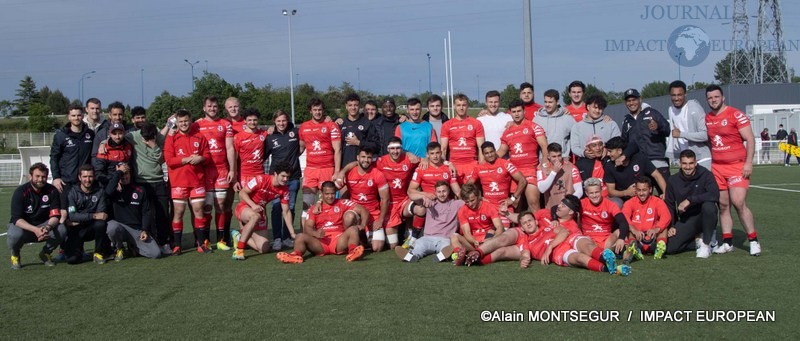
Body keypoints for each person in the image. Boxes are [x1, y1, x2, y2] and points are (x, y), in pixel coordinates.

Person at [461, 198, 629, 275]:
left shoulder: (566, 225)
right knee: (503, 240)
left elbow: (564, 233)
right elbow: (524, 220)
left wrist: (538, 250)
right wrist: (507, 214)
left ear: (571, 212)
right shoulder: (545, 215)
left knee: (583, 245)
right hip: (543, 243)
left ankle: (604, 259)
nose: (558, 206)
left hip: (552, 245)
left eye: (563, 205)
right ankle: (478, 253)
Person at [705, 85, 760, 256]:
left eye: (716, 97)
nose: (713, 100)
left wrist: (748, 163)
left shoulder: (735, 114)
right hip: (717, 168)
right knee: (723, 205)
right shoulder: (707, 118)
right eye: (710, 98)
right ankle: (727, 242)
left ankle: (753, 240)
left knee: (738, 202)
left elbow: (750, 139)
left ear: (723, 98)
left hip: (737, 166)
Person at [276, 181, 368, 263]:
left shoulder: (342, 203)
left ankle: (353, 252)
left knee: (353, 229)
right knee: (300, 236)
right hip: (321, 243)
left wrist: (363, 224)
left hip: (339, 240)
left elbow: (363, 210)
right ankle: (295, 255)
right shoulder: (314, 208)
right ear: (321, 193)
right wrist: (315, 233)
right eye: (327, 194)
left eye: (332, 193)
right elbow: (307, 228)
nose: (330, 196)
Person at [164, 108, 213, 254]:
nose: (184, 124)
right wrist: (186, 160)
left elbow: (208, 156)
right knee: (178, 212)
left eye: (186, 121)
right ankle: (177, 245)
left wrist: (201, 158)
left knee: (199, 211)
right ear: (177, 123)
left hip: (197, 181)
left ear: (191, 121)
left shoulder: (200, 137)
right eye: (181, 122)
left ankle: (201, 243)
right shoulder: (171, 138)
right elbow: (169, 161)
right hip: (179, 181)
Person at [192, 96, 236, 251]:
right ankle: (204, 240)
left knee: (221, 205)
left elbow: (230, 148)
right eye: (209, 106)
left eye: (215, 106)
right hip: (203, 171)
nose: (212, 108)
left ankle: (221, 240)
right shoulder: (196, 125)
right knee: (206, 206)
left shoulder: (225, 124)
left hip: (221, 170)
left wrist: (232, 169)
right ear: (204, 108)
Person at [7, 163, 65, 269]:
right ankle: (15, 255)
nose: (40, 179)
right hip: (25, 227)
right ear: (30, 176)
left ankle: (45, 253)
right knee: (14, 234)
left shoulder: (52, 190)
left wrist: (48, 227)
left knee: (62, 229)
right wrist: (35, 230)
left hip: (44, 226)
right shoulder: (21, 192)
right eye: (37, 176)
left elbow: (55, 215)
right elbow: (16, 219)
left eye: (43, 177)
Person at [664, 150, 719, 258]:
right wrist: (671, 225)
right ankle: (699, 241)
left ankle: (706, 244)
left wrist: (690, 200)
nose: (688, 167)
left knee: (709, 206)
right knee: (670, 247)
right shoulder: (673, 180)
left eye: (691, 163)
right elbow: (669, 204)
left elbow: (715, 195)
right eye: (684, 163)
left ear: (696, 163)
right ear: (680, 163)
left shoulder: (706, 174)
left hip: (704, 216)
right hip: (687, 219)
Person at [232, 164, 294, 260]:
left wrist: (292, 233)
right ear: (275, 174)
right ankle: (239, 250)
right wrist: (253, 205)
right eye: (283, 176)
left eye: (288, 177)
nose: (285, 179)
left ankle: (238, 236)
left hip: (259, 213)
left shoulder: (284, 190)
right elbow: (242, 193)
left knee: (264, 249)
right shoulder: (260, 179)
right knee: (255, 216)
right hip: (244, 207)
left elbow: (286, 212)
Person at [127, 122, 171, 254]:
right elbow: (115, 137)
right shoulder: (134, 136)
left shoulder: (160, 139)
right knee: (144, 214)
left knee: (163, 213)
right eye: (143, 138)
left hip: (158, 181)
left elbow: (162, 160)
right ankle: (145, 243)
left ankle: (164, 242)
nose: (144, 140)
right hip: (141, 182)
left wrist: (154, 146)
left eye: (148, 138)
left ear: (155, 135)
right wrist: (102, 144)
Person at [394, 180, 463, 262]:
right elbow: (411, 195)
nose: (441, 194)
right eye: (439, 192)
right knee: (419, 244)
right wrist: (423, 196)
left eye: (444, 191)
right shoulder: (430, 202)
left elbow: (468, 200)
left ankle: (442, 256)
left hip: (445, 238)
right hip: (428, 238)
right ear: (435, 193)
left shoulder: (456, 204)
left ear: (449, 191)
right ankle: (412, 256)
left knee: (447, 246)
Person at [104, 163, 162, 260]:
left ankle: (133, 247)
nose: (124, 177)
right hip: (120, 227)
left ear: (130, 174)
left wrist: (144, 230)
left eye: (126, 173)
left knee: (155, 254)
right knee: (111, 227)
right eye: (122, 174)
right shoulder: (114, 190)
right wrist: (118, 173)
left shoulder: (140, 190)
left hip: (136, 230)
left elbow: (146, 212)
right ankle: (119, 248)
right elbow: (107, 192)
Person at [498, 99, 547, 212]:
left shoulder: (533, 126)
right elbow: (501, 151)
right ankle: (517, 229)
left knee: (533, 202)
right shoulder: (507, 132)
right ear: (510, 113)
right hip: (515, 172)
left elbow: (544, 146)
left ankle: (540, 227)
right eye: (514, 111)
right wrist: (487, 160)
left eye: (519, 111)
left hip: (531, 169)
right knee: (515, 205)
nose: (516, 114)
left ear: (524, 111)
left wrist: (544, 163)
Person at [407, 142, 461, 244]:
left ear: (441, 153)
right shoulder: (421, 169)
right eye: (432, 153)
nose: (435, 156)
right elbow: (411, 190)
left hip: (445, 203)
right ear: (427, 155)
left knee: (463, 208)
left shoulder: (448, 168)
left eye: (437, 153)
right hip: (428, 202)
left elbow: (457, 190)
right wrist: (425, 195)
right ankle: (414, 237)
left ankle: (461, 237)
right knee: (421, 208)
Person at [339, 146, 390, 251]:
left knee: (377, 247)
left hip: (373, 213)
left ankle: (364, 240)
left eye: (369, 157)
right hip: (356, 212)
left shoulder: (378, 174)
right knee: (348, 217)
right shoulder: (348, 173)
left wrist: (380, 220)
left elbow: (385, 199)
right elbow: (330, 189)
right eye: (363, 157)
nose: (366, 160)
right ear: (357, 158)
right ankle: (353, 239)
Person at [299, 97, 342, 222]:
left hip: (327, 169)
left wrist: (337, 171)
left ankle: (328, 234)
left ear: (323, 111)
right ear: (310, 111)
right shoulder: (304, 127)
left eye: (320, 110)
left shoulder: (331, 126)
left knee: (327, 204)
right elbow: (300, 148)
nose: (318, 112)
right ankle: (304, 236)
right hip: (311, 170)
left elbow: (337, 149)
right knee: (307, 205)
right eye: (315, 110)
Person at [372, 137, 420, 249]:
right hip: (389, 205)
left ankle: (412, 234)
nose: (395, 151)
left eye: (398, 148)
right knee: (393, 245)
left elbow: (427, 161)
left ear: (401, 149)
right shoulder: (380, 161)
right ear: (388, 150)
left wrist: (424, 159)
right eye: (392, 148)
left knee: (420, 209)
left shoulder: (408, 159)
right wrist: (342, 171)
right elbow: (361, 162)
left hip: (404, 201)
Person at [264, 110, 302, 250]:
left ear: (288, 121)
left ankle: (286, 237)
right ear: (274, 121)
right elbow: (263, 156)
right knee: (276, 208)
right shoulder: (269, 136)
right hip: (275, 180)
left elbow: (303, 143)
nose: (281, 123)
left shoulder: (295, 132)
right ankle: (277, 238)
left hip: (293, 178)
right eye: (278, 121)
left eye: (284, 120)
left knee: (290, 207)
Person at [467, 142, 527, 228]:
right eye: (487, 153)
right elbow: (468, 186)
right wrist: (479, 198)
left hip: (503, 206)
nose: (490, 155)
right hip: (487, 206)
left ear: (495, 151)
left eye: (491, 152)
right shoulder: (479, 168)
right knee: (487, 233)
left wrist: (513, 199)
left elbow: (523, 180)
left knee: (504, 234)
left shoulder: (505, 164)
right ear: (483, 155)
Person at [619, 88, 670, 183]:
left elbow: (667, 130)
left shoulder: (652, 113)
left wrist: (658, 127)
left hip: (657, 160)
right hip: (640, 163)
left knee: (666, 194)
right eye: (628, 101)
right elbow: (624, 143)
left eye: (634, 100)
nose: (631, 103)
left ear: (640, 99)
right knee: (643, 195)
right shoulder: (626, 121)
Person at [603, 137, 667, 207]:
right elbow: (611, 191)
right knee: (616, 204)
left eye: (610, 151)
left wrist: (665, 192)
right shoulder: (609, 166)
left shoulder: (639, 158)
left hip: (642, 195)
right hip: (622, 197)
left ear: (619, 151)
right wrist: (626, 192)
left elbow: (657, 175)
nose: (608, 154)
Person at [65, 165, 109, 264]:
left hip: (91, 228)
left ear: (94, 177)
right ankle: (78, 251)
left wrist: (80, 217)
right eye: (85, 177)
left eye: (90, 176)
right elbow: (72, 216)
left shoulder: (100, 192)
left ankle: (98, 253)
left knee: (101, 224)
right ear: (79, 177)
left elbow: (101, 215)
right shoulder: (72, 192)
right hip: (76, 230)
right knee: (72, 260)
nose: (87, 180)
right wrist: (92, 216)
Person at [449, 183, 503, 263]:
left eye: (472, 200)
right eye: (467, 202)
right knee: (454, 236)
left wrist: (493, 239)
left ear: (478, 196)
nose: (470, 204)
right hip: (473, 242)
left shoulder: (489, 206)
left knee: (492, 231)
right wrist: (474, 241)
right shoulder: (462, 210)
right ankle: (459, 256)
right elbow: (466, 233)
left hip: (488, 240)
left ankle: (474, 255)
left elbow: (499, 226)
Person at [621, 176, 671, 261]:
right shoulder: (630, 203)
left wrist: (656, 229)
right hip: (637, 238)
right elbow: (624, 217)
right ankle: (634, 248)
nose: (641, 193)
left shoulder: (657, 201)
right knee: (628, 228)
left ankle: (660, 247)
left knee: (664, 228)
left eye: (644, 190)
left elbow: (666, 216)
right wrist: (634, 230)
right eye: (639, 190)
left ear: (650, 190)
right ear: (635, 190)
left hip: (652, 238)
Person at [50, 104, 95, 196]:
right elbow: (54, 157)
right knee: (65, 210)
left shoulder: (90, 134)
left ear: (82, 116)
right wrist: (56, 177)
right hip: (66, 182)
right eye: (73, 115)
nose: (76, 118)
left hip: (85, 182)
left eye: (79, 115)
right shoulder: (60, 136)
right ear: (69, 117)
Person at [440, 94, 484, 184]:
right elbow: (443, 149)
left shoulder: (476, 123)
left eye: (464, 105)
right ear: (454, 106)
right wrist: (445, 164)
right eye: (458, 105)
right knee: (456, 194)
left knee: (471, 192)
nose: (461, 108)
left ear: (467, 106)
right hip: (454, 164)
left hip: (471, 163)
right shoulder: (447, 125)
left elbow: (481, 147)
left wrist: (481, 165)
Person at [580, 177, 630, 255]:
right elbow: (560, 207)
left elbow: (623, 222)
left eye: (597, 192)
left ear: (601, 191)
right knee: (584, 243)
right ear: (586, 193)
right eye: (591, 193)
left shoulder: (609, 204)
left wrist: (621, 238)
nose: (594, 195)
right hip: (589, 238)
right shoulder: (582, 203)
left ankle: (624, 247)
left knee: (619, 232)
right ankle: (620, 249)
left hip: (606, 238)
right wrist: (555, 219)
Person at [668, 80, 711, 169]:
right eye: (673, 95)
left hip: (701, 158)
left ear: (685, 94)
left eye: (679, 95)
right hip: (685, 160)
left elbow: (705, 135)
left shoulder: (695, 109)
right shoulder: (671, 110)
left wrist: (682, 134)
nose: (676, 98)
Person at [570, 94, 621, 159]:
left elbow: (618, 142)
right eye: (595, 107)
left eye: (600, 108)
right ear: (588, 107)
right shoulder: (577, 127)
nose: (597, 111)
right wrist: (584, 153)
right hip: (586, 161)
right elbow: (574, 147)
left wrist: (608, 149)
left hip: (606, 161)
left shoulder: (611, 124)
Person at [537, 143, 583, 208]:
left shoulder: (572, 167)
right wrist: (554, 172)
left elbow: (579, 191)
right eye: (554, 156)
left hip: (568, 207)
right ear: (548, 156)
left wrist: (567, 203)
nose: (557, 159)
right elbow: (542, 189)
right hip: (551, 208)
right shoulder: (541, 168)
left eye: (559, 155)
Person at [339, 93, 380, 165]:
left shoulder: (367, 124)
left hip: (362, 167)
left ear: (360, 106)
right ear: (346, 106)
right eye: (350, 105)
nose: (353, 108)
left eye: (356, 105)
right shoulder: (341, 124)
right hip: (344, 166)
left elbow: (376, 145)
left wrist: (358, 143)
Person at [533, 89, 575, 155]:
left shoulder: (568, 118)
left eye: (550, 102)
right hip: (544, 159)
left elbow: (576, 138)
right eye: (545, 102)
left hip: (563, 158)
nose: (547, 104)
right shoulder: (537, 120)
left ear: (557, 102)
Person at [233, 108, 267, 186]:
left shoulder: (264, 134)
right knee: (245, 197)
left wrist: (272, 129)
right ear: (245, 121)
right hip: (245, 174)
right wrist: (235, 179)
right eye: (250, 120)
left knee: (260, 198)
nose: (252, 122)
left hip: (260, 173)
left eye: (255, 120)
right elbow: (234, 159)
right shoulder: (238, 137)